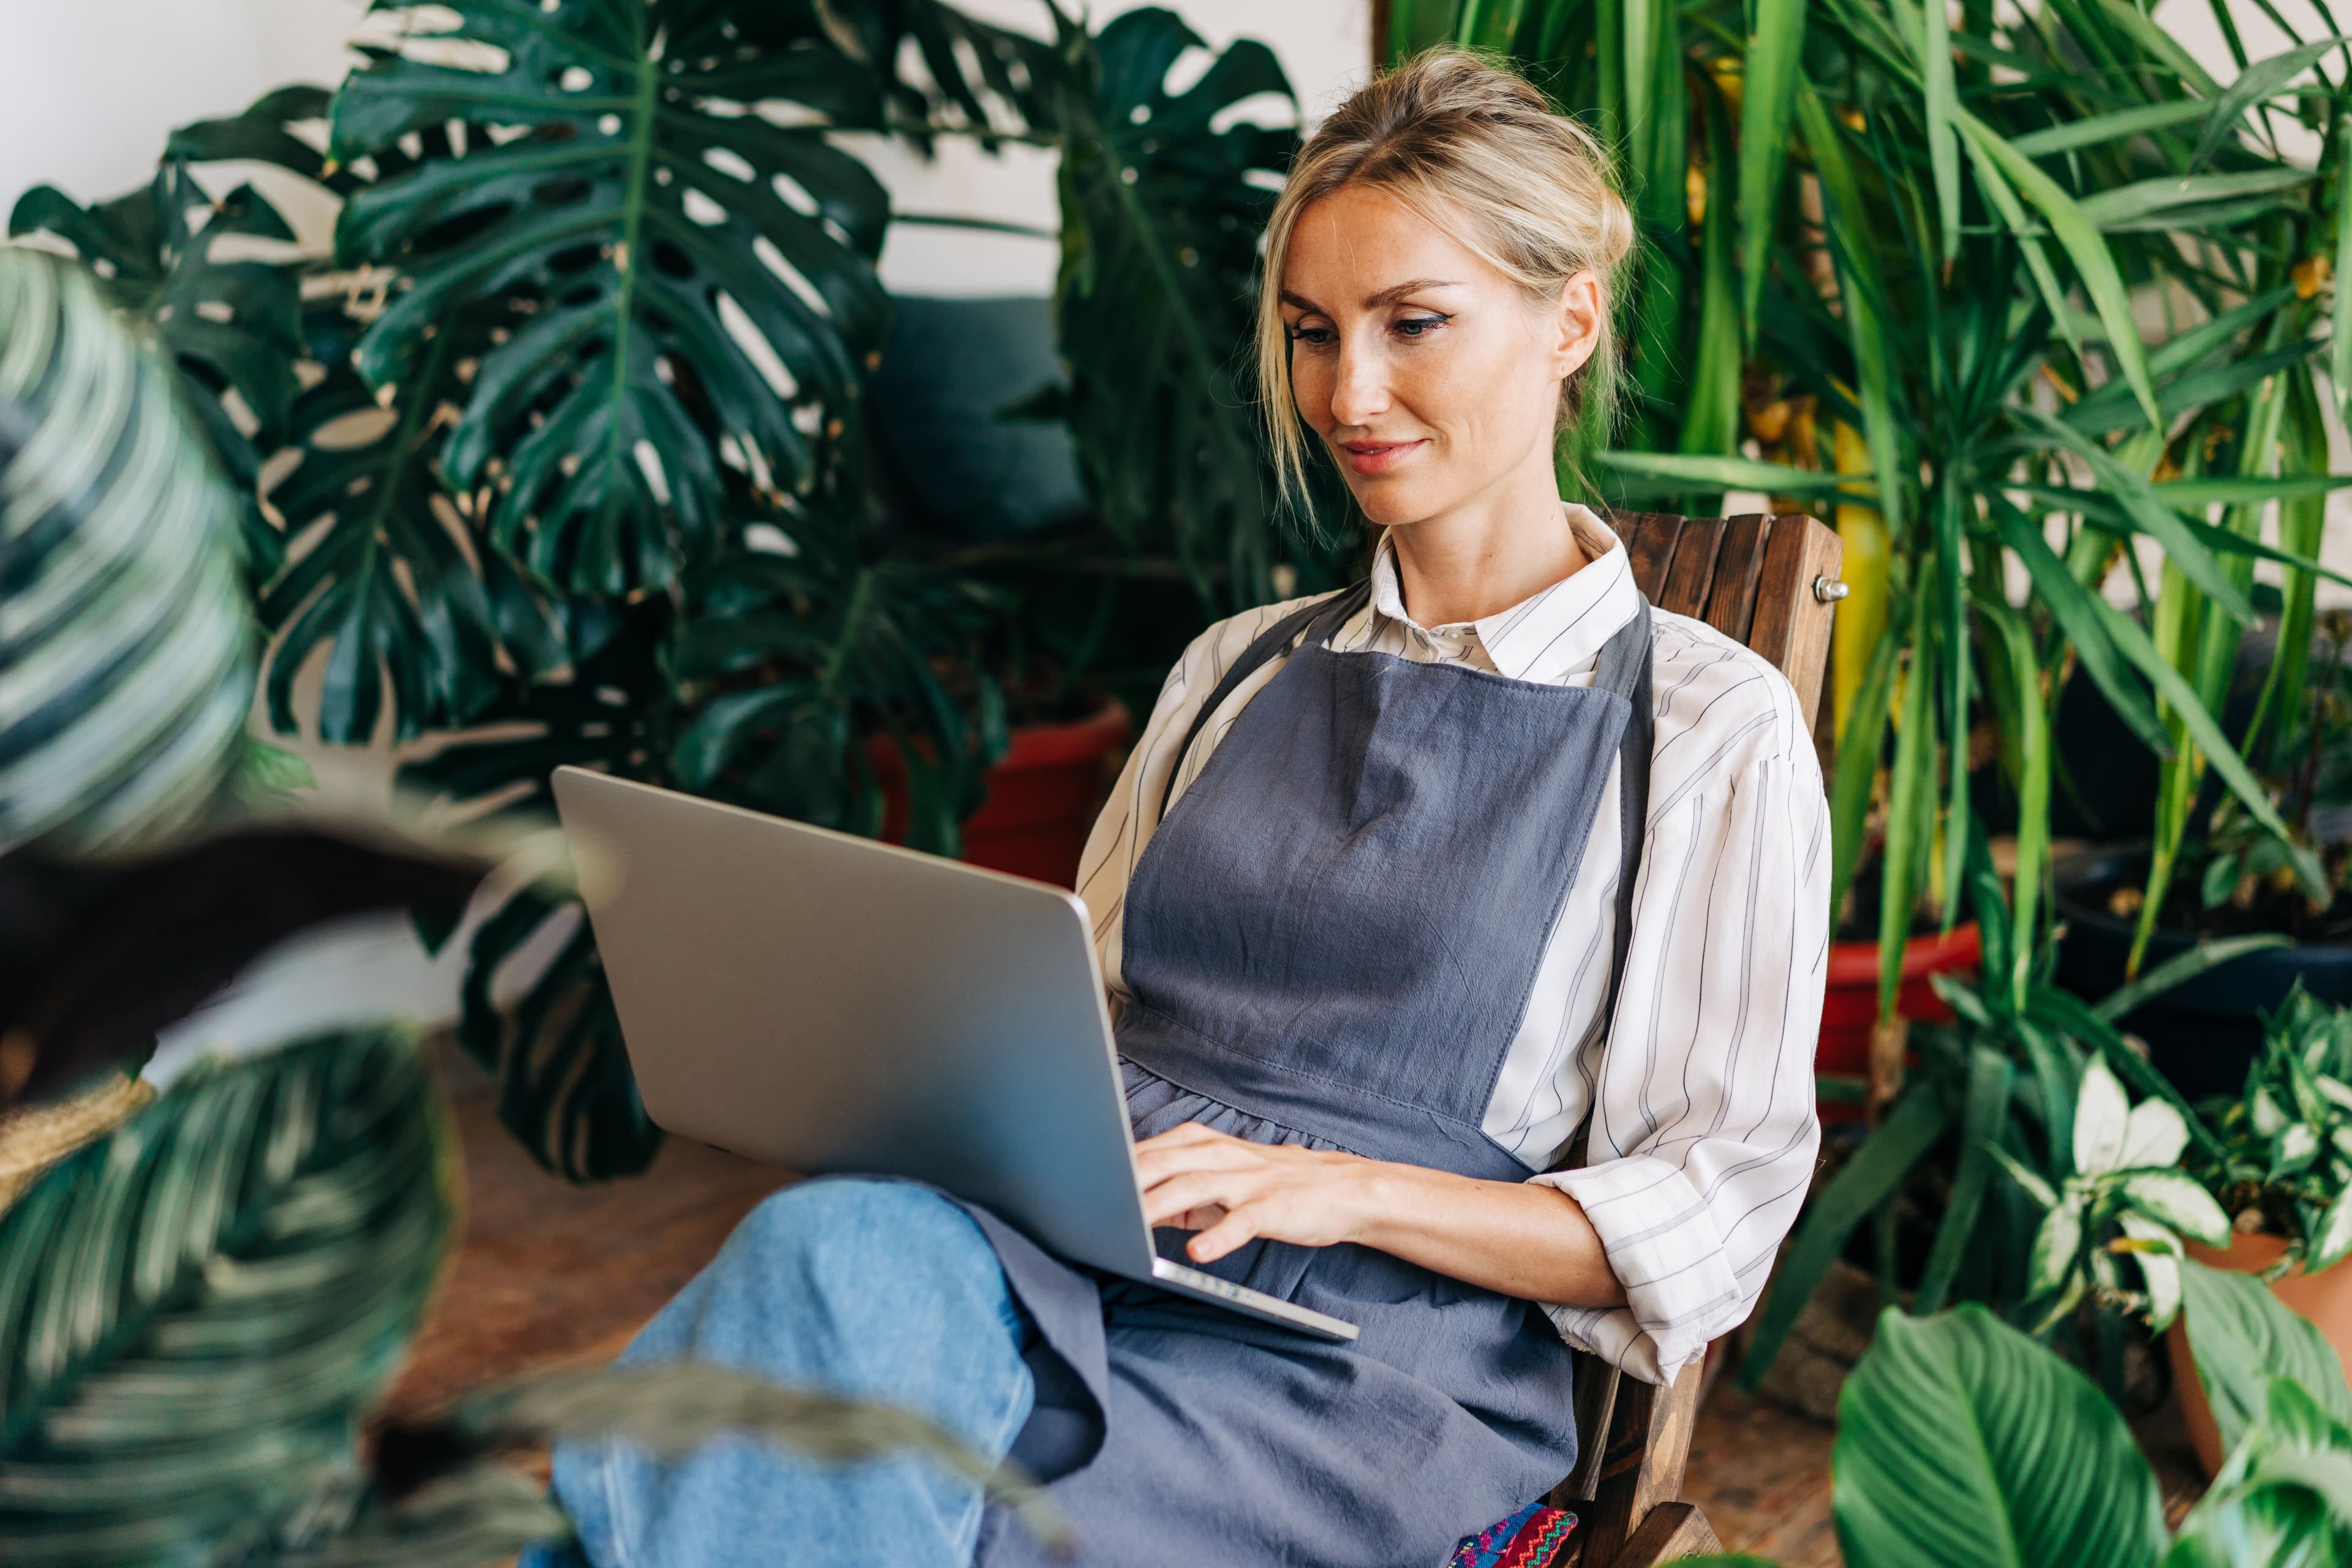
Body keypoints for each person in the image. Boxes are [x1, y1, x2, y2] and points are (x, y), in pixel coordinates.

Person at [541, 50, 1826, 1568]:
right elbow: (1068, 1014)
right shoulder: (1235, 667)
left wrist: (1338, 1189)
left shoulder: (1705, 725)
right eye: (1312, 332)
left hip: (1368, 1351)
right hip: (1085, 1238)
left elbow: (1710, 1206)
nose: (1348, 394)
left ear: (1571, 321)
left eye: (1413, 322)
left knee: (838, 1506)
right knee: (825, 1251)